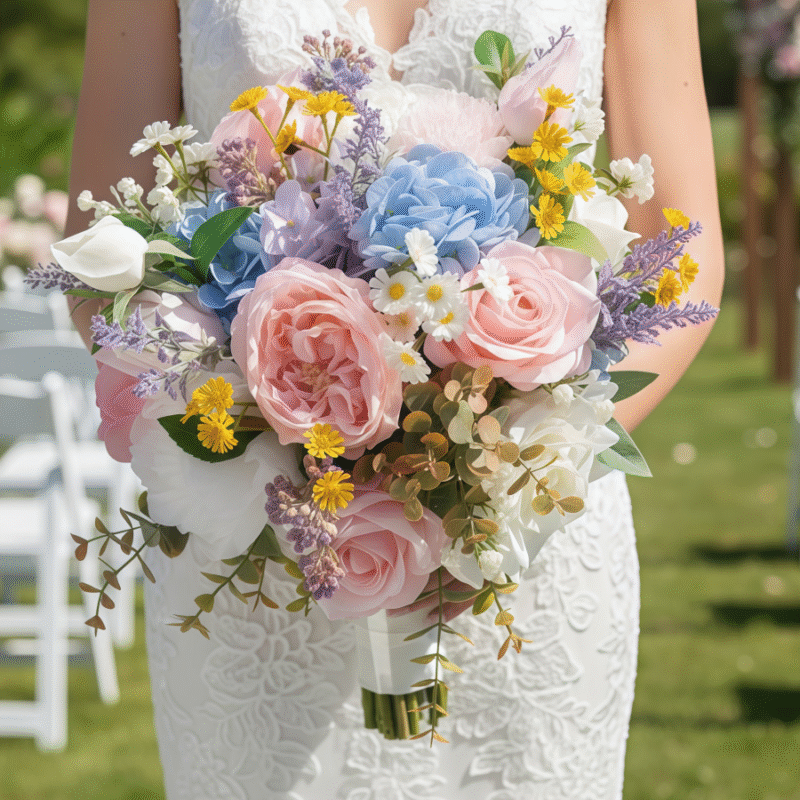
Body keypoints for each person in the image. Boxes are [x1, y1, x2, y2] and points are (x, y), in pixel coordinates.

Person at [65, 1, 724, 798]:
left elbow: (680, 249)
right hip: (259, 548)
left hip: (521, 543)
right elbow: (99, 262)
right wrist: (272, 431)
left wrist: (499, 472)